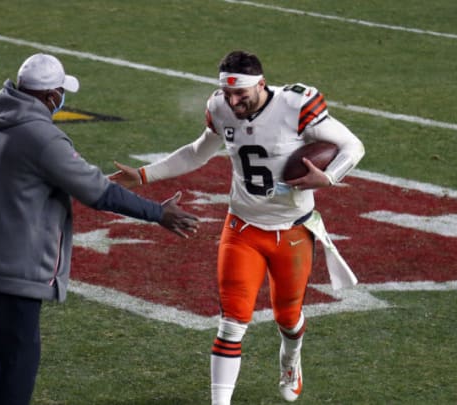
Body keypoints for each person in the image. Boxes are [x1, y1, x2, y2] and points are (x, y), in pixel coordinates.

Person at [0, 53, 199, 405]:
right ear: (52, 96)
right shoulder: (44, 139)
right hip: (18, 268)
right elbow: (100, 193)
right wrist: (158, 212)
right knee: (18, 364)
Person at [111, 50, 365, 403]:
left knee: (288, 319)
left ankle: (291, 360)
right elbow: (199, 151)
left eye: (240, 94)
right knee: (231, 323)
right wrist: (144, 174)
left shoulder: (296, 105)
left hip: (292, 231)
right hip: (242, 229)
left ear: (261, 84)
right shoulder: (220, 106)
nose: (233, 102)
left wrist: (330, 177)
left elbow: (353, 145)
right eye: (227, 94)